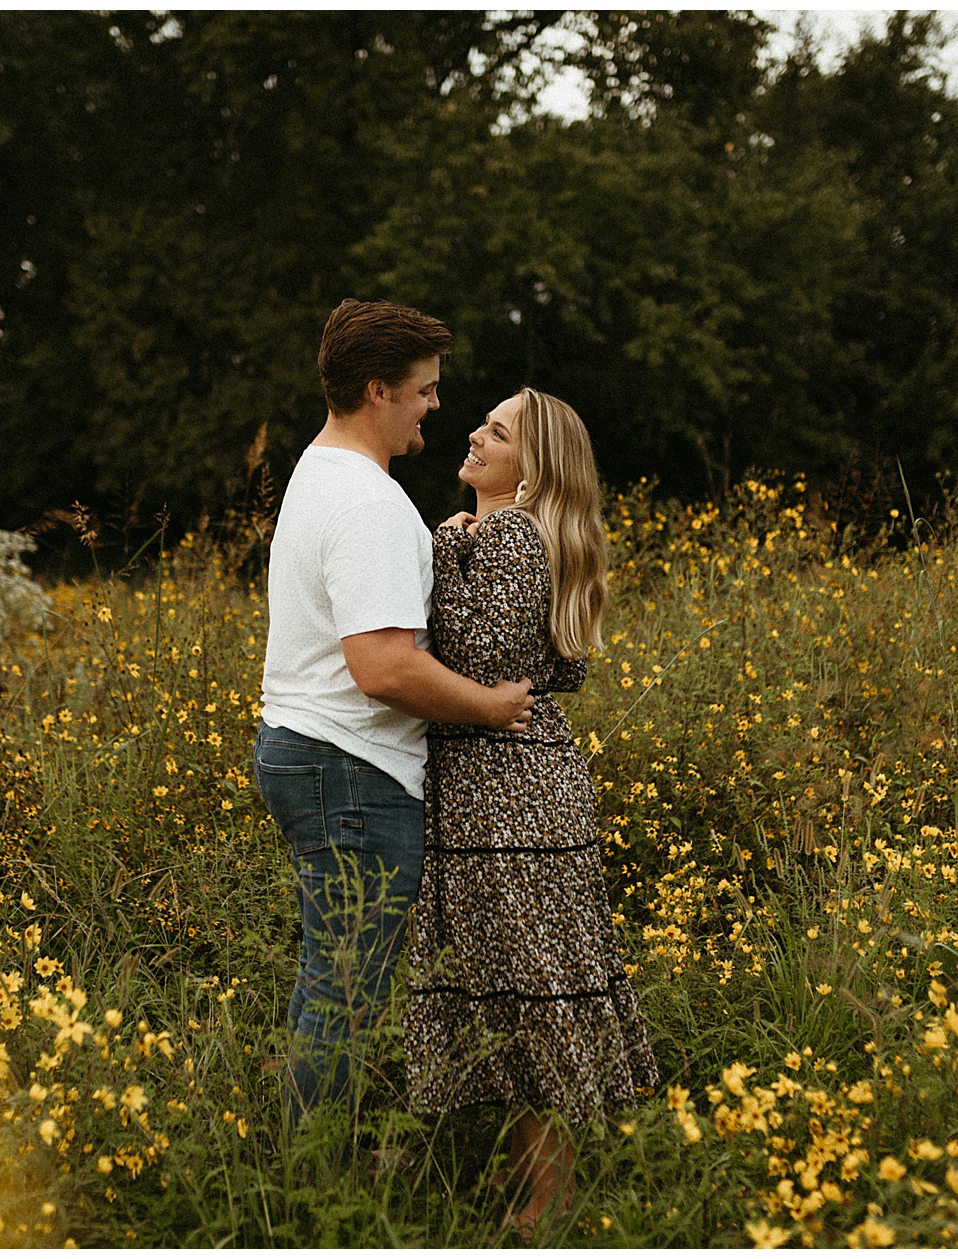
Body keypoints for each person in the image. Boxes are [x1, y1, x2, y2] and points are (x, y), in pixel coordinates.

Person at [254, 298, 538, 1133]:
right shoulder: (369, 503)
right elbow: (381, 666)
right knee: (340, 1001)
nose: (437, 405)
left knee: (330, 988)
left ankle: (307, 1181)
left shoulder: (322, 472)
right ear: (378, 389)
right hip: (350, 769)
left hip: (313, 753)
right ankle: (309, 1196)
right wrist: (492, 705)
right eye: (425, 389)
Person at [403, 386, 659, 1236]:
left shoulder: (506, 535)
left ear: (531, 468)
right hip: (519, 784)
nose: (474, 432)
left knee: (525, 999)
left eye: (497, 430)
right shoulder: (522, 538)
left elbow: (480, 657)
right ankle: (535, 1207)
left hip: (506, 796)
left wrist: (442, 542)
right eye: (482, 422)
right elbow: (552, 671)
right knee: (525, 996)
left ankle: (542, 1219)